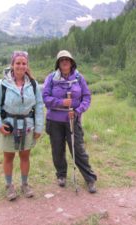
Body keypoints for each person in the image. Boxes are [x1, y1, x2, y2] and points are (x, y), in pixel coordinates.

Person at [0, 51, 44, 201]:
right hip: (9, 126)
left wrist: (39, 127)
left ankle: (25, 184)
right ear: (12, 65)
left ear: (27, 65)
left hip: (27, 126)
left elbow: (39, 106)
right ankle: (9, 186)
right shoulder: (2, 84)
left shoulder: (33, 84)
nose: (21, 66)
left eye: (24, 63)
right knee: (8, 156)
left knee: (25, 156)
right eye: (18, 63)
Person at [42, 50, 97, 193]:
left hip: (73, 119)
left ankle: (90, 179)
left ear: (72, 62)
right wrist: (61, 102)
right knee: (57, 150)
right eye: (62, 60)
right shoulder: (51, 78)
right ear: (58, 64)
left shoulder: (79, 78)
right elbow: (45, 98)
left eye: (67, 59)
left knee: (78, 150)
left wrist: (78, 110)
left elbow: (86, 97)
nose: (65, 62)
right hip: (54, 121)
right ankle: (61, 175)